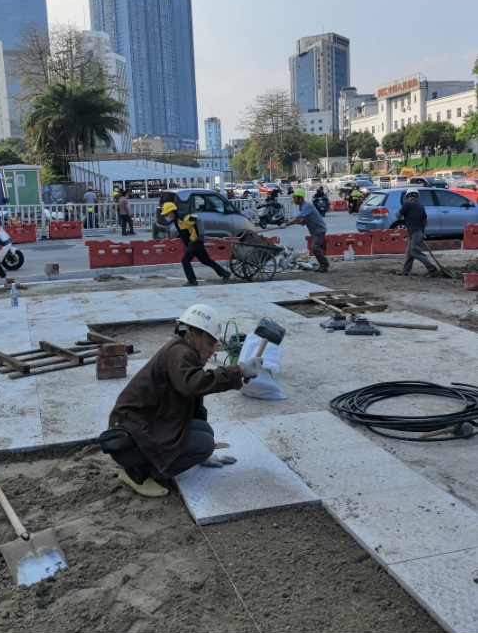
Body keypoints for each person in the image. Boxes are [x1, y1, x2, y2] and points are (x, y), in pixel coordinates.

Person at [100, 304, 263, 497]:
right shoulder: (180, 353)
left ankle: (153, 463)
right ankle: (138, 473)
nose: (213, 351)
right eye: (210, 344)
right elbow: (194, 385)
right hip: (132, 440)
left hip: (148, 425)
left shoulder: (185, 351)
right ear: (192, 334)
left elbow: (193, 403)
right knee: (204, 444)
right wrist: (238, 370)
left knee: (205, 431)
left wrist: (202, 457)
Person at [161, 202, 232, 286]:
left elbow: (199, 220)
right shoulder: (176, 221)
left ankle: (192, 281)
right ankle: (225, 273)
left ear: (172, 212)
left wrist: (201, 235)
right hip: (192, 242)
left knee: (185, 261)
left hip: (195, 241)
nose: (166, 217)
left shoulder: (183, 218)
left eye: (166, 215)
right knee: (206, 260)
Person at [394, 188, 439, 277]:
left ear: (407, 196)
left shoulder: (407, 204)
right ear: (417, 196)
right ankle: (405, 271)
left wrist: (399, 211)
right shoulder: (420, 206)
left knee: (415, 252)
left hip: (414, 232)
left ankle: (432, 269)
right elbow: (425, 221)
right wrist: (422, 231)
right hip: (418, 232)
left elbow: (398, 216)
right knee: (409, 253)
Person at [283, 188, 329, 272]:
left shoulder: (307, 206)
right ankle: (323, 264)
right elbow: (301, 220)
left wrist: (287, 224)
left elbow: (297, 218)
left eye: (295, 198)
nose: (293, 200)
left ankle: (324, 264)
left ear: (300, 198)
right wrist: (300, 222)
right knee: (317, 247)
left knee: (315, 247)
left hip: (319, 229)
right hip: (315, 230)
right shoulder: (302, 207)